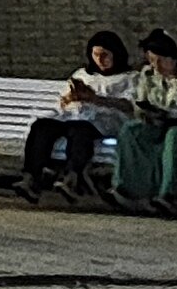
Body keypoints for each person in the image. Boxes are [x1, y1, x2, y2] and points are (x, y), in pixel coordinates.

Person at [15, 32, 135, 204]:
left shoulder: (130, 78)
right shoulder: (82, 74)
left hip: (104, 120)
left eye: (105, 55)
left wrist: (95, 99)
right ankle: (31, 177)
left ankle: (72, 176)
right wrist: (71, 98)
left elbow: (130, 106)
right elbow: (62, 103)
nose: (100, 60)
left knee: (80, 130)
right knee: (42, 126)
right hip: (73, 115)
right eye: (96, 55)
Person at [108, 31, 177, 216]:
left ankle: (171, 194)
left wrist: (172, 115)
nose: (155, 66)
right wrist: (146, 112)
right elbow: (140, 101)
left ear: (171, 58)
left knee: (174, 136)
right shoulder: (148, 74)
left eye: (159, 60)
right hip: (159, 123)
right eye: (151, 60)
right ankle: (128, 190)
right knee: (131, 130)